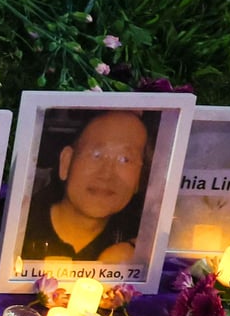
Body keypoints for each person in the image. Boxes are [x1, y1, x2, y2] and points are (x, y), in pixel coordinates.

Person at [19, 110, 155, 264]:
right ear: (66, 162)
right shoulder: (15, 228)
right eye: (96, 155)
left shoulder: (140, 238)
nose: (106, 173)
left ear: (139, 180)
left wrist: (136, 249)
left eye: (125, 159)